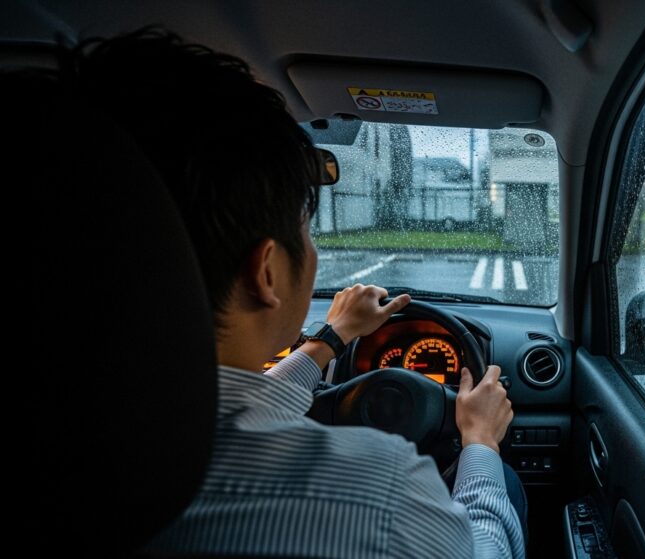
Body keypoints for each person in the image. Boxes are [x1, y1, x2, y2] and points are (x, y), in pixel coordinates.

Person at [46, 29, 525, 558]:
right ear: (266, 272)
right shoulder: (376, 494)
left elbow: (233, 409)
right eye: (304, 226)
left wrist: (331, 339)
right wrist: (480, 443)